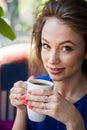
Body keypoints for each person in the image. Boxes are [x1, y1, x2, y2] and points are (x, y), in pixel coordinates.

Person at [9, 0, 87, 130]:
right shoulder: (36, 87)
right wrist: (22, 110)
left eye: (66, 48)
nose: (52, 60)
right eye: (46, 46)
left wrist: (74, 121)